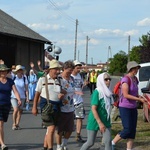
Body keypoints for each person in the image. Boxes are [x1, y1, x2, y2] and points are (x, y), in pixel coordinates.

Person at [112, 61, 146, 150]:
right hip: (125, 107)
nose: (137, 70)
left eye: (137, 68)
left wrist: (139, 96)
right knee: (127, 129)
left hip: (133, 107)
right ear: (131, 69)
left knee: (132, 130)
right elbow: (126, 95)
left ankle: (129, 148)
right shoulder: (125, 80)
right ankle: (112, 143)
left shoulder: (135, 79)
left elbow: (134, 93)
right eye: (136, 68)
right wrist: (139, 99)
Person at [32, 59, 64, 150]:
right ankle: (50, 148)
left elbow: (62, 91)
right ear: (50, 70)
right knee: (51, 128)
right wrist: (34, 107)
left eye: (58, 69)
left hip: (57, 106)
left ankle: (45, 147)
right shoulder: (42, 80)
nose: (58, 71)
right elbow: (37, 94)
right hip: (46, 107)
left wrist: (63, 95)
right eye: (56, 69)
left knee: (51, 129)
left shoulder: (59, 81)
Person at [80, 72, 113, 150]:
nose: (108, 81)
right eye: (106, 79)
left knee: (108, 141)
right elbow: (93, 108)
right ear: (101, 80)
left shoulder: (108, 92)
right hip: (95, 120)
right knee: (90, 142)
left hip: (105, 120)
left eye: (109, 79)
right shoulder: (97, 92)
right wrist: (100, 123)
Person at [0, 63, 21, 150]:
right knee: (0, 124)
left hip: (6, 105)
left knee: (2, 124)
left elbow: (15, 90)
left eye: (5, 71)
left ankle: (1, 143)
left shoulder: (10, 81)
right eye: (1, 71)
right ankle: (2, 144)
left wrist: (19, 98)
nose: (3, 73)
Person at [55, 60, 76, 150]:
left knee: (70, 129)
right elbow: (53, 91)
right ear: (64, 69)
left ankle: (65, 143)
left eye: (71, 71)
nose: (70, 73)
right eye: (68, 71)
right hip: (61, 107)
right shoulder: (58, 79)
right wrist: (59, 92)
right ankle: (59, 146)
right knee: (60, 129)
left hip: (71, 107)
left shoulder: (72, 79)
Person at [11, 65, 29, 130]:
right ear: (16, 71)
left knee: (20, 111)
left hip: (22, 96)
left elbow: (26, 89)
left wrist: (27, 98)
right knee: (15, 109)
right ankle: (14, 123)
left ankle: (17, 124)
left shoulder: (24, 78)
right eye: (18, 70)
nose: (20, 72)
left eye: (21, 70)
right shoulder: (14, 77)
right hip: (14, 96)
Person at [71, 60, 85, 143]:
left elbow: (80, 86)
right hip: (70, 101)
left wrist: (84, 85)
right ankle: (64, 132)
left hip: (79, 100)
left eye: (80, 68)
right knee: (69, 119)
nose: (79, 69)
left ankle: (78, 135)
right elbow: (67, 88)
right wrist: (76, 92)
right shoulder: (70, 76)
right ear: (73, 68)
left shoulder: (80, 76)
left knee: (79, 118)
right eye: (77, 68)